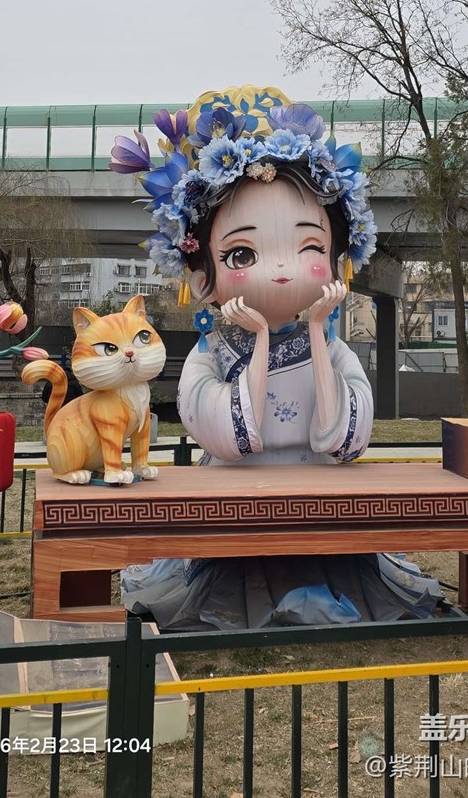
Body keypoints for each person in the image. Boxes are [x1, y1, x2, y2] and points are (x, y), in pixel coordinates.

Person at [113, 88, 443, 629]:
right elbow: (230, 438)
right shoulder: (212, 354)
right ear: (201, 276)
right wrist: (261, 340)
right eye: (242, 254)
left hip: (320, 498)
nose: (281, 271)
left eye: (309, 247)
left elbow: (342, 442)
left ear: (337, 263)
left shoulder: (331, 346)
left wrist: (315, 333)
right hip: (235, 502)